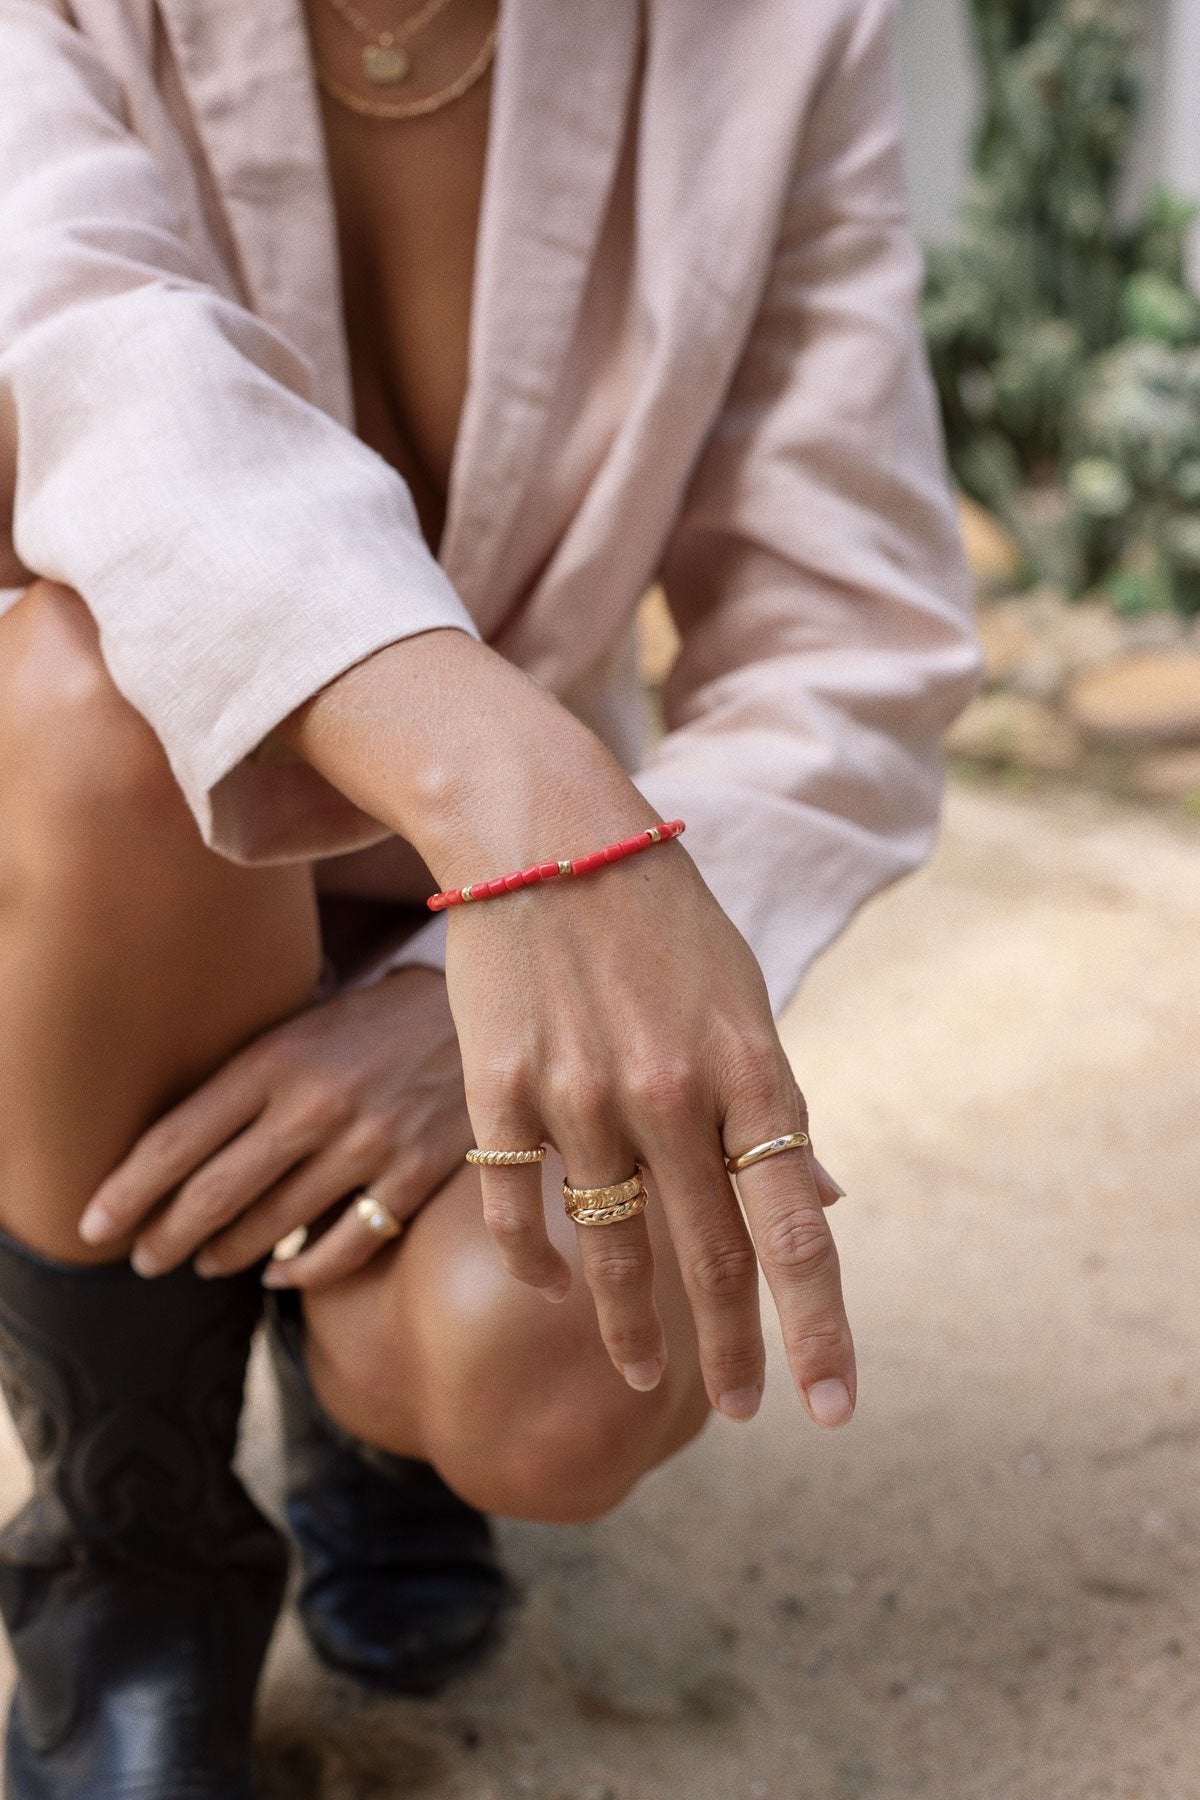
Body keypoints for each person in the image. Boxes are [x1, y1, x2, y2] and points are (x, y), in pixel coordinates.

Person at [0, 0, 979, 1792]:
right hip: (121, 864)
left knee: (545, 1380)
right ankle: (126, 1562)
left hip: (507, 918)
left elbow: (846, 634)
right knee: (82, 686)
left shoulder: (782, 33)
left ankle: (368, 1427)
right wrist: (518, 801)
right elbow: (79, 367)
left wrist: (480, 965)